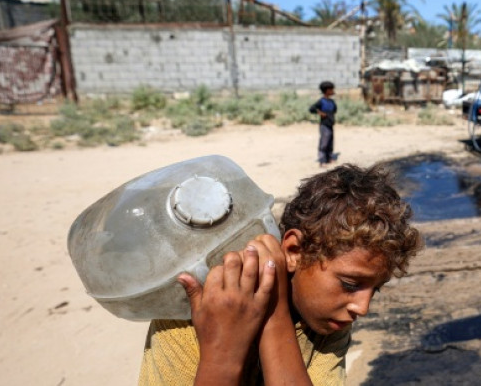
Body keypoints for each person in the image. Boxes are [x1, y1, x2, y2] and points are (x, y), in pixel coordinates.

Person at [138, 164, 422, 386]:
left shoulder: (327, 322)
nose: (362, 307)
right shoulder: (194, 313)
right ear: (294, 250)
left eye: (376, 290)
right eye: (350, 284)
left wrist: (274, 316)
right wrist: (223, 350)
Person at [309, 81, 337, 166]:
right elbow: (312, 108)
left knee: (330, 142)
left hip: (330, 124)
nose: (333, 91)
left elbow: (335, 110)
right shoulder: (321, 101)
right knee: (324, 142)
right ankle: (322, 160)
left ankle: (329, 158)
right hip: (324, 125)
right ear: (327, 90)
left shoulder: (332, 102)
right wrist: (320, 112)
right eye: (331, 89)